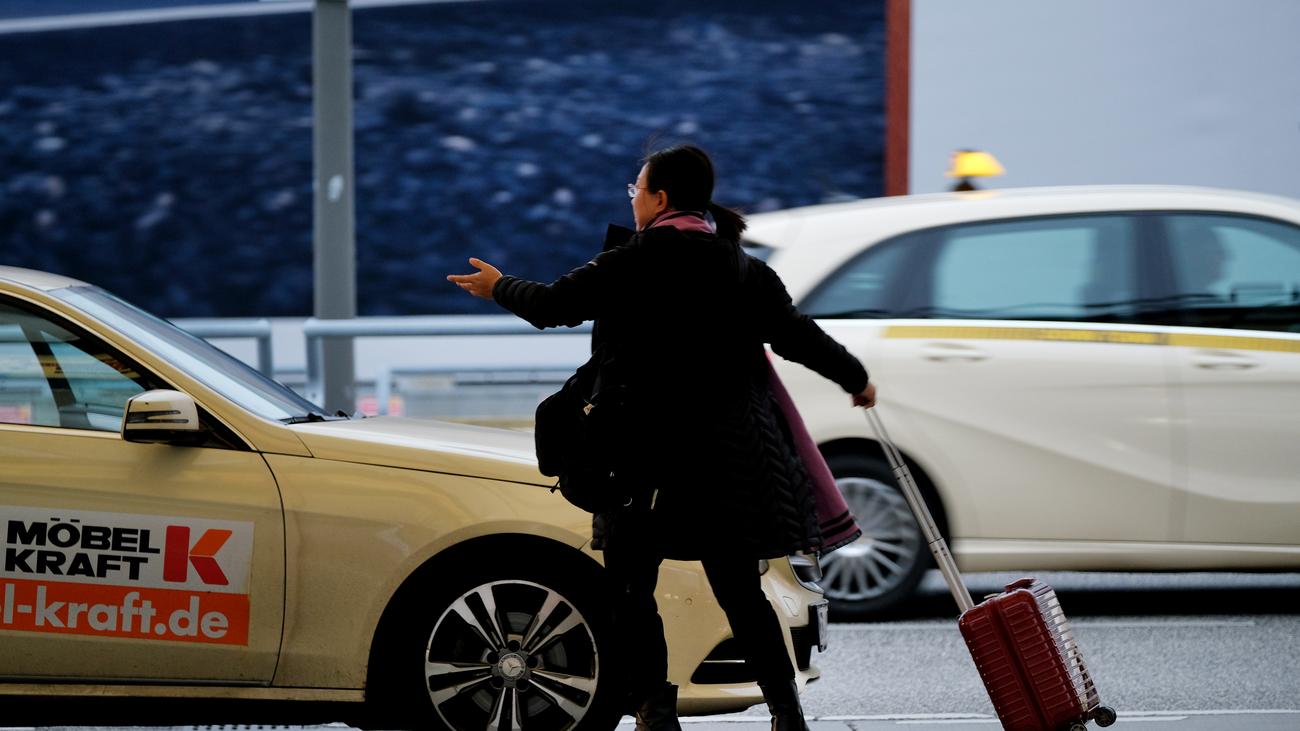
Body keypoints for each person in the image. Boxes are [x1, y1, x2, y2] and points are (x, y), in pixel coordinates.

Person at [448, 144, 876, 731]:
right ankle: (786, 712)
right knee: (740, 592)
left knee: (630, 589)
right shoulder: (744, 269)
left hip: (641, 461)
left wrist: (500, 286)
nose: (634, 199)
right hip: (729, 463)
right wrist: (856, 378)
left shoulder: (633, 261)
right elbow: (798, 336)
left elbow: (553, 305)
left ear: (660, 198)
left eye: (637, 189)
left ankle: (655, 710)